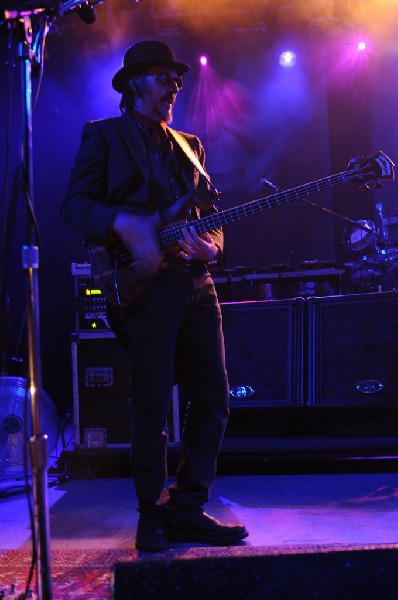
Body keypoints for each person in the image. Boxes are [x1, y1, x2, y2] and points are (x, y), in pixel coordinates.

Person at [61, 40, 248, 552]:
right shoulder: (104, 137)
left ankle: (189, 508)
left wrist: (212, 247)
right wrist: (121, 221)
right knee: (150, 404)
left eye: (177, 80)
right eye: (165, 77)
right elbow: (74, 207)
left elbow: (208, 218)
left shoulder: (190, 145)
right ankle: (152, 513)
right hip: (143, 282)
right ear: (134, 84)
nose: (175, 87)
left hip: (195, 282)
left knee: (212, 397)